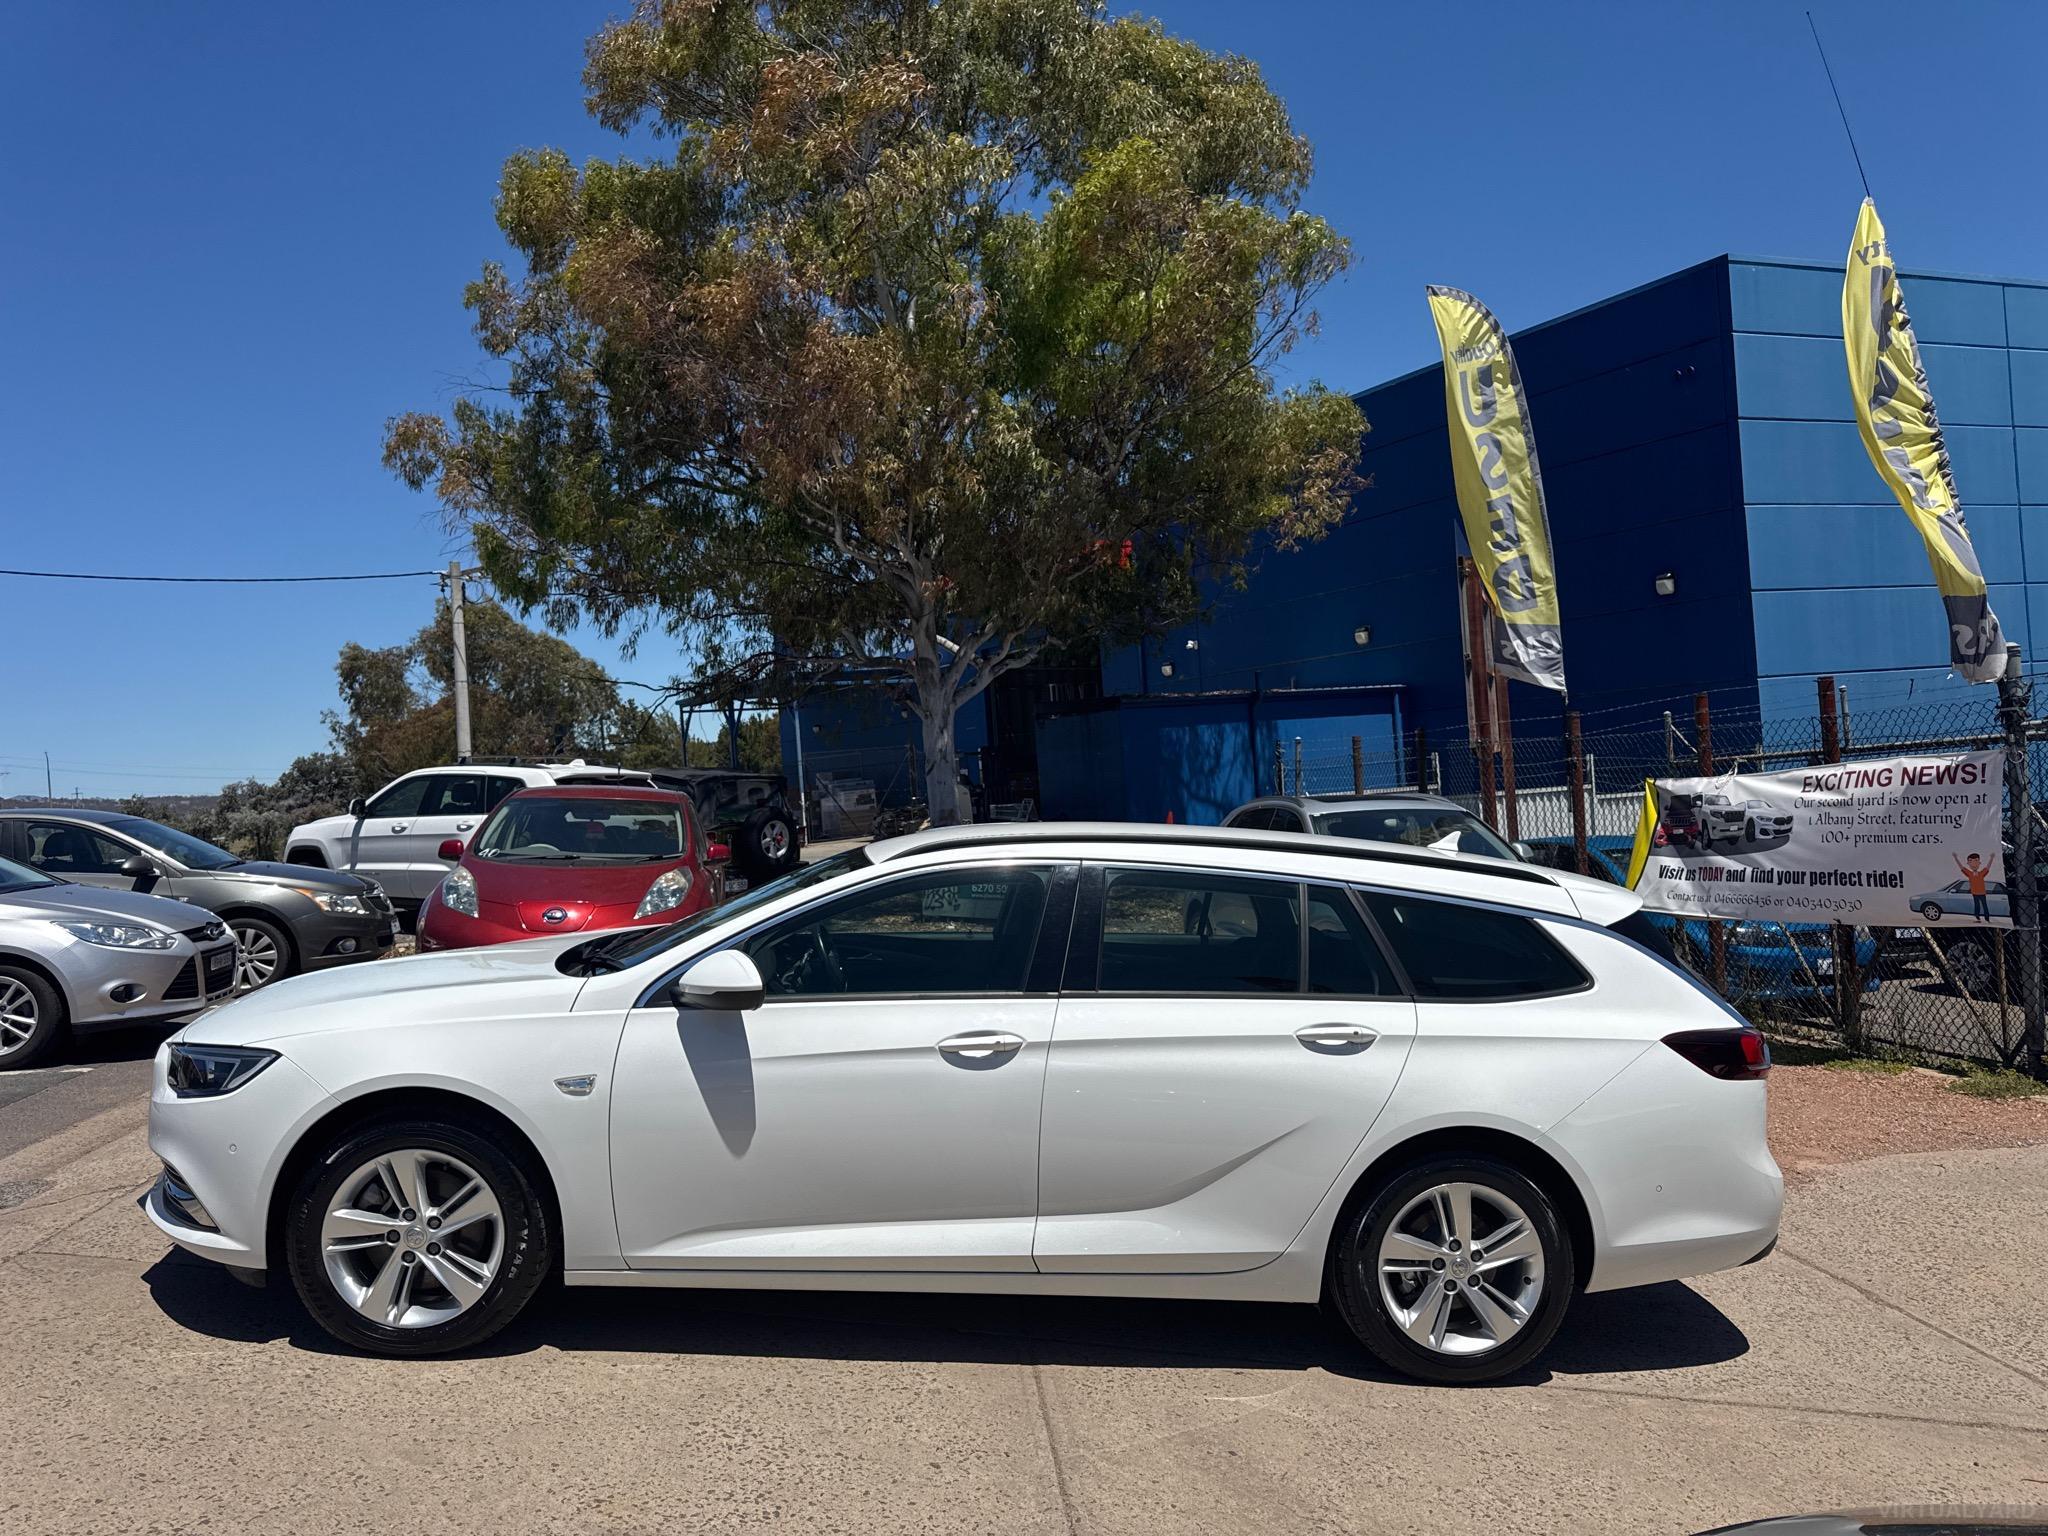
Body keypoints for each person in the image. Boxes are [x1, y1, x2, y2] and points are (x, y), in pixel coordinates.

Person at [1953, 851, 1992, 922]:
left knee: (1984, 906)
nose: (1973, 864)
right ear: (1968, 864)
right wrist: (1956, 858)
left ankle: (1987, 918)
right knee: (1977, 906)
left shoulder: (1981, 873)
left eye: (1976, 861)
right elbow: (1961, 867)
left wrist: (1991, 858)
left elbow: (1988, 867)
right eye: (1970, 861)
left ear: (1979, 863)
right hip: (1975, 893)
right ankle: (1977, 917)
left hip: (1982, 893)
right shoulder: (1969, 874)